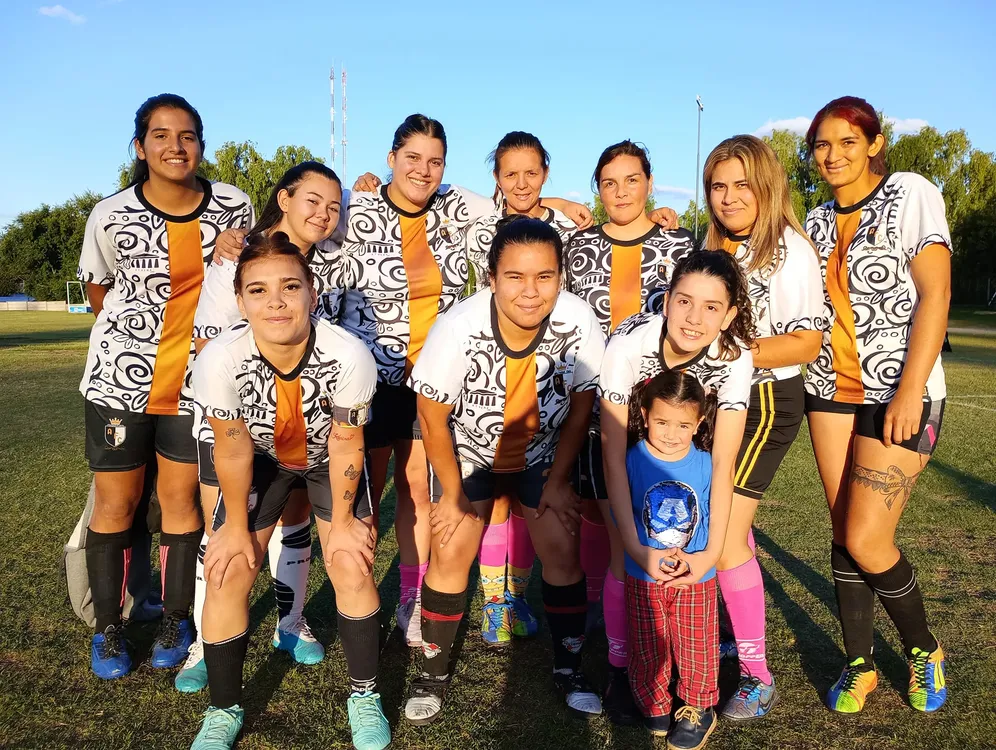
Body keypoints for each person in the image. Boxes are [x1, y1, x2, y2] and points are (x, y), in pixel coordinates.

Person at [341, 114, 593, 648]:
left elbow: (521, 210)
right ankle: (347, 605)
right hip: (368, 377)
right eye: (411, 158)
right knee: (359, 499)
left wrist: (565, 207)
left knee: (415, 492)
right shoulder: (353, 204)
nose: (423, 170)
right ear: (390, 159)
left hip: (437, 380)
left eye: (434, 161)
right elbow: (304, 209)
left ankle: (413, 597)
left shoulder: (460, 207)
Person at [77, 93, 254, 679]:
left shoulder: (234, 205)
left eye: (187, 136)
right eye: (161, 135)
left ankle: (177, 616)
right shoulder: (109, 212)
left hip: (196, 383)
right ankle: (109, 627)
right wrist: (141, 335)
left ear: (201, 145)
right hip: (118, 385)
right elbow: (99, 288)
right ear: (139, 146)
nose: (175, 147)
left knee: (179, 504)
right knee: (117, 504)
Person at [188, 233, 387, 750]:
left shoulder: (349, 354)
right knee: (229, 569)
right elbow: (230, 450)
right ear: (239, 301)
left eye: (289, 286)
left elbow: (346, 445)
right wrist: (233, 527)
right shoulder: (219, 359)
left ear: (312, 292)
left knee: (349, 561)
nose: (274, 301)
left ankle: (365, 696)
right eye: (257, 290)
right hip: (260, 457)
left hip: (328, 458)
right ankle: (223, 708)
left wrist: (343, 525)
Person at [404, 217, 606, 725]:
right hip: (472, 454)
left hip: (541, 455)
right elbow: (431, 415)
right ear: (491, 278)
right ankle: (432, 673)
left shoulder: (579, 321)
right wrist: (451, 494)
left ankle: (569, 670)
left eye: (545, 276)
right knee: (450, 551)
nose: (531, 291)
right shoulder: (458, 325)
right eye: (515, 276)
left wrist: (558, 482)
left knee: (562, 547)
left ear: (561, 277)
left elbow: (582, 406)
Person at [175, 161, 346, 692]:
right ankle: (207, 642)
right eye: (312, 201)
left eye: (333, 206)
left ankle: (290, 624)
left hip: (304, 424)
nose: (323, 214)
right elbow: (206, 342)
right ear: (284, 197)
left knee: (295, 519)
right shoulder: (238, 255)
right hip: (233, 424)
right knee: (224, 534)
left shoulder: (335, 262)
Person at [804, 96, 950, 714]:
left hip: (898, 391)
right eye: (820, 145)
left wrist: (912, 387)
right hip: (828, 391)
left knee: (868, 538)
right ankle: (858, 662)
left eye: (846, 142)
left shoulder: (910, 193)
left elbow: (935, 295)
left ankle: (924, 650)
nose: (833, 156)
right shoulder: (811, 223)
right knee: (843, 531)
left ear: (875, 142)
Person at [563, 139, 696, 723]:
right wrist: (548, 198)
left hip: (663, 415)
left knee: (671, 520)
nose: (620, 192)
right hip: (597, 407)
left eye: (632, 180)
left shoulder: (679, 245)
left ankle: (687, 638)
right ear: (598, 188)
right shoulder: (577, 245)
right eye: (609, 182)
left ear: (650, 183)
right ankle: (617, 645)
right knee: (610, 522)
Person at [600, 249, 755, 745]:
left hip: (697, 456)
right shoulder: (628, 344)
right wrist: (633, 544)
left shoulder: (735, 359)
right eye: (684, 301)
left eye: (712, 307)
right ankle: (625, 672)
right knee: (622, 562)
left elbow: (724, 464)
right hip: (631, 450)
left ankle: (721, 681)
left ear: (729, 315)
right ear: (666, 302)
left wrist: (709, 552)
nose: (694, 318)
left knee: (715, 557)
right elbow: (611, 452)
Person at [699, 135, 825, 720]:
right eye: (718, 186)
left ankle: (757, 674)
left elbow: (806, 340)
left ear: (767, 186)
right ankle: (733, 633)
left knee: (723, 536)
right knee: (728, 530)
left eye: (741, 184)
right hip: (720, 401)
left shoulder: (789, 250)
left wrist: (727, 348)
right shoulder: (716, 246)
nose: (729, 197)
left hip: (767, 402)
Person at [464, 131, 581, 646]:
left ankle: (520, 594)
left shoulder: (566, 226)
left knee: (537, 503)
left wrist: (560, 204)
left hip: (547, 373)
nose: (521, 183)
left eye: (531, 173)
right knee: (498, 504)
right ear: (494, 178)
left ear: (546, 175)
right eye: (509, 173)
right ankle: (494, 603)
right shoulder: (478, 223)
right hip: (488, 377)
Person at [622, 371, 720, 748]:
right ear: (645, 415)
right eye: (662, 422)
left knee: (696, 643)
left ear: (698, 424)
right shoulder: (630, 459)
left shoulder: (707, 463)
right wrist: (642, 555)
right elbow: (621, 510)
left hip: (695, 574)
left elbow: (716, 515)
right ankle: (654, 701)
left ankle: (698, 705)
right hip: (642, 574)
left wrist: (696, 561)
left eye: (683, 424)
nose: (670, 433)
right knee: (647, 644)